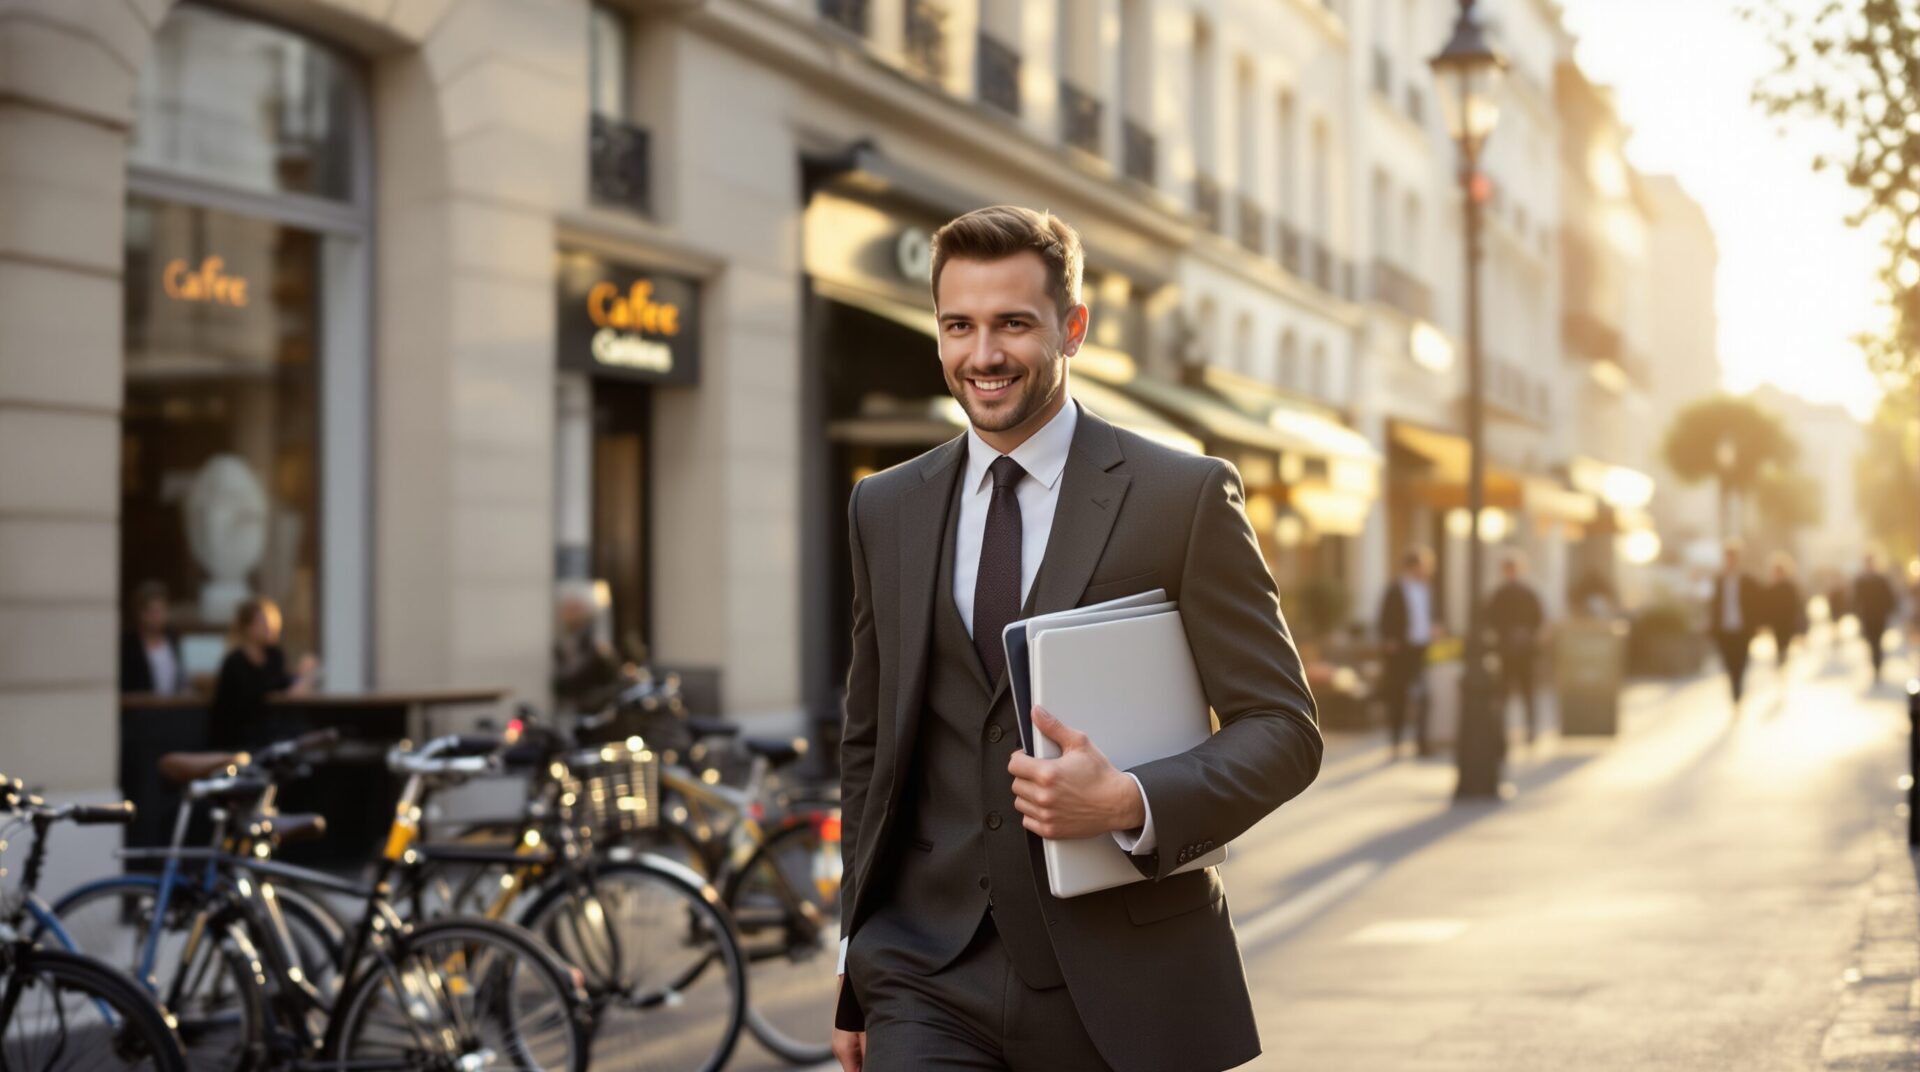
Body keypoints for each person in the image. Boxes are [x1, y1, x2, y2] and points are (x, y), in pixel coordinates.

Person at [831, 206, 1321, 1072]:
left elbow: (1284, 730)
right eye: (959, 326)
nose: (983, 355)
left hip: (1120, 976)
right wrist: (854, 967)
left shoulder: (1184, 497)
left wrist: (1131, 801)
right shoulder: (887, 505)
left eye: (1013, 324)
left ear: (1073, 328)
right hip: (923, 974)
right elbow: (869, 746)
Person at [208, 597, 319, 751]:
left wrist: (300, 676)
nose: (268, 627)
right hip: (238, 736)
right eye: (262, 622)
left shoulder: (274, 656)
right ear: (247, 627)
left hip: (268, 733)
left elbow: (282, 683)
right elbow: (252, 694)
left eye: (270, 622)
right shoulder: (235, 662)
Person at [1377, 547, 1436, 757]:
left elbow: (1426, 617)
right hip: (1401, 651)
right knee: (1398, 695)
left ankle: (1422, 741)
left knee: (1423, 696)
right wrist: (1389, 640)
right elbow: (1385, 618)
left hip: (1421, 648)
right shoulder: (1395, 589)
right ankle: (1396, 740)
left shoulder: (1425, 590)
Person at [1485, 554, 1546, 744]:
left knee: (1527, 690)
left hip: (1524, 651)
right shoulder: (1500, 593)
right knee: (1504, 692)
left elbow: (1538, 618)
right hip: (1507, 651)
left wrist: (1528, 636)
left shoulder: (1527, 593)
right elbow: (1491, 619)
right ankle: (1500, 731)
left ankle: (1530, 729)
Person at [1706, 544, 1762, 705]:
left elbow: (1756, 604)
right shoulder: (1719, 580)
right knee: (1729, 662)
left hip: (1743, 629)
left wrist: (1757, 625)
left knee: (1741, 661)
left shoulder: (1747, 580)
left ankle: (1738, 688)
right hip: (1724, 630)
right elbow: (1714, 605)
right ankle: (1735, 691)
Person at [118, 581, 185, 695]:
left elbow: (180, 678)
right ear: (140, 613)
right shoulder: (129, 645)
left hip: (172, 708)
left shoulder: (173, 640)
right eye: (152, 612)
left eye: (161, 611)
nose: (157, 617)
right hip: (141, 708)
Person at [1853, 551, 1898, 683]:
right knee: (1872, 642)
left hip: (1879, 616)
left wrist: (1887, 610)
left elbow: (1889, 598)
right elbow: (1855, 599)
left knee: (1877, 642)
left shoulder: (1881, 579)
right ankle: (1875, 665)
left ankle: (1877, 666)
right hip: (1867, 617)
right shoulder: (1861, 580)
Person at [1761, 553, 1804, 670]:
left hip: (1788, 624)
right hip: (1776, 625)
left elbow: (1798, 607)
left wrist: (1800, 628)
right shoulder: (1771, 589)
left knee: (1785, 648)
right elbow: (1765, 608)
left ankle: (1783, 666)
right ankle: (1781, 667)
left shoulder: (1790, 588)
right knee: (1779, 648)